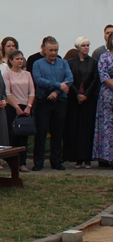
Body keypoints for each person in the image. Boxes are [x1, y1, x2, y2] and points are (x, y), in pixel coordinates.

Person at [31, 37, 73, 171]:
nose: (54, 53)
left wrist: (56, 91)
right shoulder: (37, 64)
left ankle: (56, 161)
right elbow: (38, 80)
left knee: (58, 132)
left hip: (59, 101)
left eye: (56, 50)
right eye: (51, 50)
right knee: (41, 132)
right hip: (44, 101)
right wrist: (57, 85)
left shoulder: (63, 63)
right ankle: (38, 162)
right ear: (44, 49)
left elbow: (69, 79)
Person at [65, 37, 99, 168]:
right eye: (83, 45)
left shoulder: (93, 62)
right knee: (76, 128)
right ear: (78, 47)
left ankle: (87, 158)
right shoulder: (70, 63)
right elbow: (69, 79)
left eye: (88, 45)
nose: (86, 48)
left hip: (88, 100)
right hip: (74, 100)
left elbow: (95, 80)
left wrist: (85, 95)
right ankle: (77, 158)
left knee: (87, 128)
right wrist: (77, 94)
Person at [3, 50, 33, 172]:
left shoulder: (27, 74)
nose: (20, 61)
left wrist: (29, 106)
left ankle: (23, 162)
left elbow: (32, 92)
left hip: (25, 106)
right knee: (13, 135)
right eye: (17, 59)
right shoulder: (7, 74)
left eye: (21, 59)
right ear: (11, 60)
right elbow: (7, 92)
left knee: (23, 135)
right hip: (12, 106)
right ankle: (13, 162)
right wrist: (16, 107)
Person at [93, 34, 113, 166]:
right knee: (108, 126)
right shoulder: (104, 57)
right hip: (108, 95)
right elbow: (104, 76)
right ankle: (107, 157)